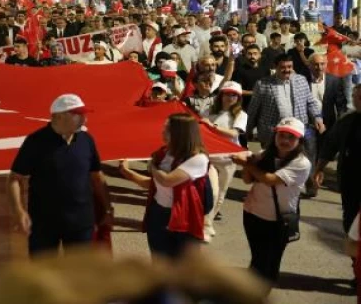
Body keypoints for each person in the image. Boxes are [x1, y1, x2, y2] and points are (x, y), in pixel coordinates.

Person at [8, 94, 112, 256]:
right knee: (44, 275)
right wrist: (19, 211)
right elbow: (14, 179)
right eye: (78, 114)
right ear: (58, 116)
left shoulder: (86, 140)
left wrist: (107, 209)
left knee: (79, 274)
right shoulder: (35, 142)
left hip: (81, 224)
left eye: (84, 114)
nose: (84, 119)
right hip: (44, 224)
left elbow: (97, 176)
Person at [118, 113, 210, 259]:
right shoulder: (164, 153)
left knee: (182, 265)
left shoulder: (198, 159)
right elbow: (154, 184)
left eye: (167, 129)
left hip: (183, 219)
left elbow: (167, 180)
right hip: (158, 214)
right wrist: (128, 173)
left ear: (180, 133)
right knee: (159, 260)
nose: (162, 132)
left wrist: (152, 166)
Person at [232, 117, 311, 285]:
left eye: (291, 137)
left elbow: (270, 179)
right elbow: (248, 180)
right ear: (274, 136)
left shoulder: (302, 163)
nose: (284, 140)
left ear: (300, 141)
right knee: (258, 259)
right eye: (281, 135)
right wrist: (246, 162)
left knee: (268, 264)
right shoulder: (263, 154)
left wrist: (248, 164)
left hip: (278, 221)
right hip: (253, 214)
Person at [200, 81, 248, 241]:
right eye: (227, 93)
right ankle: (204, 227)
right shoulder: (208, 111)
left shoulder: (241, 115)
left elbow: (234, 134)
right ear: (221, 95)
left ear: (238, 98)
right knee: (211, 192)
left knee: (221, 193)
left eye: (234, 94)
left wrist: (212, 126)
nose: (230, 97)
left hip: (229, 159)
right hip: (209, 158)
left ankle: (208, 223)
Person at [246, 54, 324, 149]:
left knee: (302, 161)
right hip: (271, 135)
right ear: (275, 67)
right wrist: (248, 131)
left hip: (299, 132)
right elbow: (253, 110)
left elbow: (311, 102)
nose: (287, 70)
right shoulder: (262, 84)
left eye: (289, 67)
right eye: (282, 67)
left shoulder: (301, 80)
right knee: (268, 162)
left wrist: (317, 118)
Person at [315, 84, 361, 233]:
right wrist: (319, 169)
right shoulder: (346, 120)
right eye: (357, 97)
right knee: (350, 218)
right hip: (350, 179)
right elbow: (330, 145)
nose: (358, 101)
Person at [303, 53, 347, 198]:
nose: (319, 67)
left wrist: (341, 122)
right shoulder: (302, 80)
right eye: (315, 64)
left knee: (323, 155)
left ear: (326, 65)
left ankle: (317, 177)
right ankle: (311, 186)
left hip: (328, 125)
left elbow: (340, 103)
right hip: (308, 125)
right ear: (309, 65)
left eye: (322, 64)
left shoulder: (334, 81)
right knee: (310, 153)